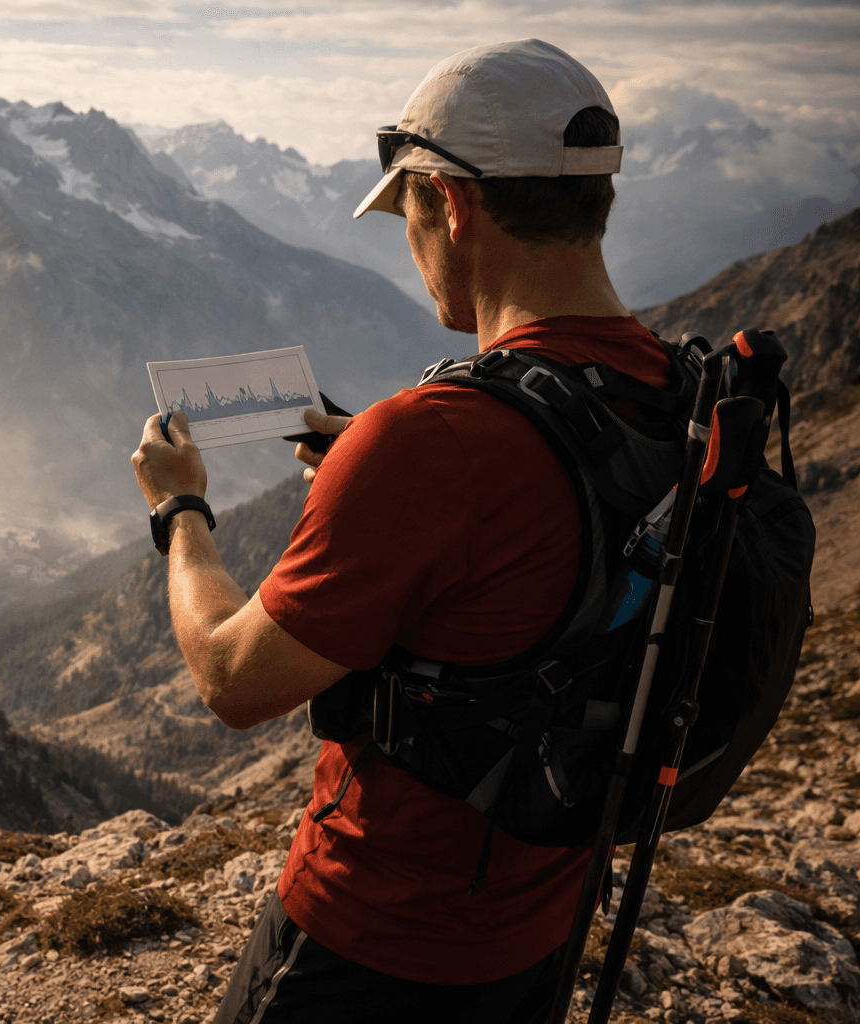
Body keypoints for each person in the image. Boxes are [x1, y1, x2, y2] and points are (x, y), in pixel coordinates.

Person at [130, 39, 662, 1023]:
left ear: (451, 204)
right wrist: (391, 481)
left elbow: (234, 679)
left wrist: (182, 511)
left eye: (407, 214)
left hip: (374, 937)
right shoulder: (671, 394)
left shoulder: (434, 443)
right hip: (539, 931)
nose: (411, 248)